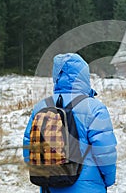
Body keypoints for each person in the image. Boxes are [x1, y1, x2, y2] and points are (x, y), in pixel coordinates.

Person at [23, 53, 117, 192]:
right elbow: (104, 151)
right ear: (84, 76)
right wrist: (108, 180)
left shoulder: (41, 107)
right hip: (87, 186)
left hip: (50, 185)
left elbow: (29, 146)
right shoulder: (94, 108)